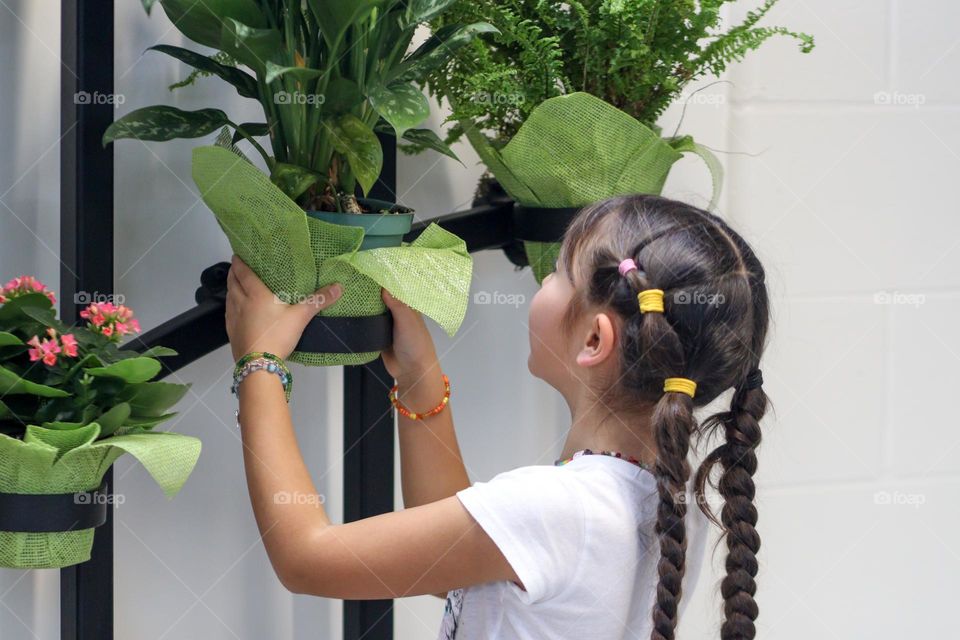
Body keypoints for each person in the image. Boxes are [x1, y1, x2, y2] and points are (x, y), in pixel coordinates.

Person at [224, 192, 771, 640]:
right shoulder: (673, 502)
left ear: (593, 338)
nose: (544, 285)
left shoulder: (559, 509)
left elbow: (306, 558)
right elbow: (458, 562)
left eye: (558, 274)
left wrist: (262, 363)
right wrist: (419, 382)